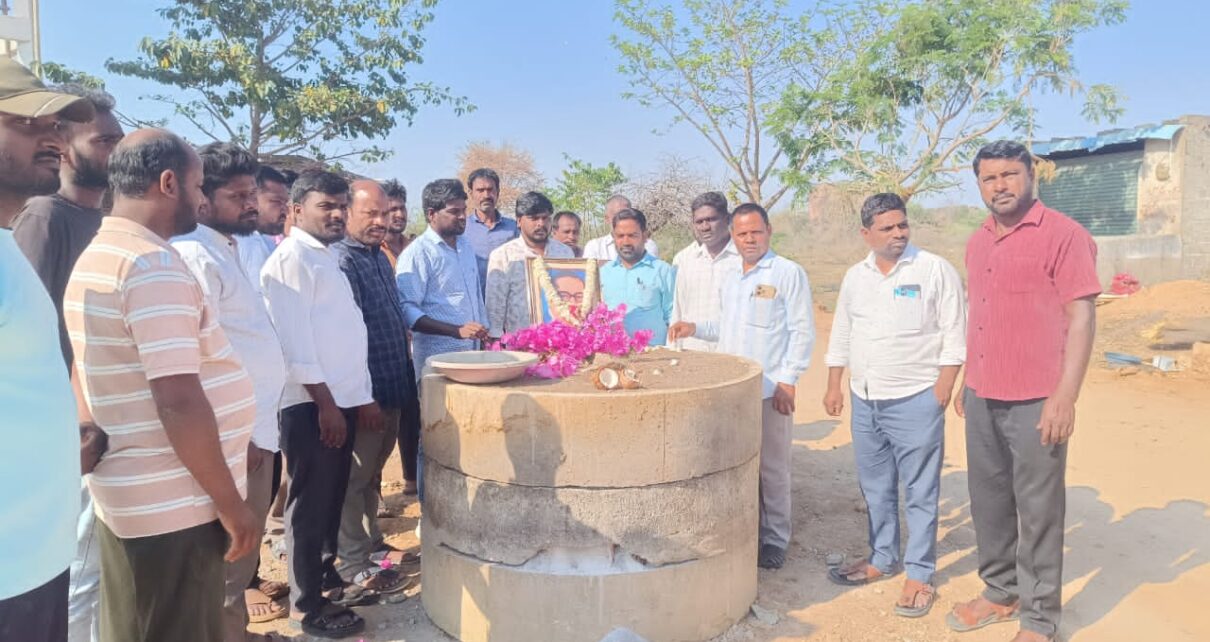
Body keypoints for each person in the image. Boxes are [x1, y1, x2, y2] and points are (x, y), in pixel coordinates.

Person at [65, 129, 260, 642]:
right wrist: (231, 504)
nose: (202, 200)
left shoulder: (101, 253)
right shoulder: (150, 265)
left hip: (139, 496)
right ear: (169, 183)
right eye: (198, 187)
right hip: (176, 505)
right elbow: (178, 399)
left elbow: (82, 363)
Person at [946, 141, 1099, 642]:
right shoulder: (978, 241)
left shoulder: (1064, 236)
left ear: (1031, 174)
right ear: (979, 185)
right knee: (988, 500)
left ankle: (1038, 619)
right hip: (983, 392)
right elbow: (982, 314)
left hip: (1037, 398)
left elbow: (1081, 318)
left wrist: (1065, 396)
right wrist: (968, 378)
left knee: (1038, 511)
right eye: (989, 178)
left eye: (1010, 174)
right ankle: (1000, 591)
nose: (1000, 186)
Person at [8, 81, 120, 642]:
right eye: (26, 122)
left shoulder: (100, 223)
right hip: (66, 447)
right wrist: (78, 422)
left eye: (54, 125)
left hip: (79, 448)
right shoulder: (44, 220)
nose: (49, 136)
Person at [821, 193, 966, 618]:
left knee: (920, 491)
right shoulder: (855, 277)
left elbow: (955, 332)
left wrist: (944, 387)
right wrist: (834, 384)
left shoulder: (934, 269)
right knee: (876, 488)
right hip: (866, 400)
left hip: (916, 398)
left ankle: (919, 573)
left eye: (902, 225)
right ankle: (882, 557)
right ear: (866, 234)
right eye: (887, 228)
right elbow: (843, 332)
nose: (898, 233)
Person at [170, 143, 290, 641]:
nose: (250, 205)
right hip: (237, 440)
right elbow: (195, 363)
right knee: (227, 563)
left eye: (252, 194)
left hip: (256, 430)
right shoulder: (195, 256)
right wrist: (237, 439)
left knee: (238, 561)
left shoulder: (228, 248)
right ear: (202, 197)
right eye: (238, 196)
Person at [260, 170, 381, 639]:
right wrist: (327, 406)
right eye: (324, 206)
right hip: (311, 405)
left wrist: (358, 399)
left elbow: (345, 334)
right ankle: (305, 607)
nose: (336, 214)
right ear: (296, 210)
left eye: (340, 205)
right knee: (309, 507)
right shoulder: (291, 260)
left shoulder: (324, 257)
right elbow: (296, 345)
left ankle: (325, 585)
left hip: (337, 402)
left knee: (330, 499)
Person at [669, 203, 815, 570]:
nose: (750, 239)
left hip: (770, 390)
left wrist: (788, 380)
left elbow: (802, 331)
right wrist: (694, 328)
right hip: (734, 390)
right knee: (737, 462)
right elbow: (724, 326)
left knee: (772, 468)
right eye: (743, 233)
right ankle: (745, 532)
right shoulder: (732, 275)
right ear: (733, 236)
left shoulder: (787, 273)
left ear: (769, 231)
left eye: (756, 232)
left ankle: (775, 538)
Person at [331, 180, 417, 595]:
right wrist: (362, 398)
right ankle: (352, 562)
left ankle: (372, 545)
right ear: (347, 212)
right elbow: (346, 337)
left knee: (373, 475)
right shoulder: (341, 261)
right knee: (354, 478)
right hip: (365, 393)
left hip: (392, 383)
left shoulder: (377, 257)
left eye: (385, 213)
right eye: (372, 214)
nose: (382, 221)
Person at [397, 179, 489, 504]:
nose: (463, 217)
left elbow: (474, 297)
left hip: (472, 359)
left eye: (464, 210)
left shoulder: (465, 247)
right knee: (435, 439)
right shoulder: (417, 254)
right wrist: (455, 331)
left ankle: (461, 508)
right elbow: (408, 310)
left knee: (468, 436)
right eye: (454, 212)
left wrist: (483, 334)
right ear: (431, 214)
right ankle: (431, 509)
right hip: (438, 363)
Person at [486, 191, 575, 339]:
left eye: (545, 218)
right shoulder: (503, 256)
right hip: (519, 344)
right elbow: (495, 308)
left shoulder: (564, 252)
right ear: (519, 221)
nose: (541, 223)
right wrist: (495, 340)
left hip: (560, 341)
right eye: (534, 218)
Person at [670, 191, 740, 352]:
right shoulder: (685, 260)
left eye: (711, 219)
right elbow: (678, 310)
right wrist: (673, 349)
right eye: (699, 222)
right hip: (691, 353)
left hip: (731, 354)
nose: (705, 227)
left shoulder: (743, 260)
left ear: (727, 219)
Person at [600, 208, 676, 345]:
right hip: (613, 353)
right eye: (620, 236)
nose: (626, 242)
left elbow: (672, 316)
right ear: (614, 237)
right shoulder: (604, 273)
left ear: (645, 236)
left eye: (632, 235)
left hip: (654, 354)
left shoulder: (662, 271)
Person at [460, 167, 518, 294]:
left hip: (506, 299)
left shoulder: (513, 228)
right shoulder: (462, 229)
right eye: (480, 190)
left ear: (498, 192)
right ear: (471, 193)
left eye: (490, 190)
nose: (486, 195)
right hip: (473, 299)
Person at [237, 165, 289, 291]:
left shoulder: (267, 241)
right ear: (252, 199)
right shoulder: (246, 243)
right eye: (276, 201)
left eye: (286, 202)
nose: (285, 209)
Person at [582, 194, 659, 260]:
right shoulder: (594, 246)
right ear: (607, 219)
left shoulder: (647, 244)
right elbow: (589, 271)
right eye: (618, 215)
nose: (623, 219)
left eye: (627, 214)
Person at [380, 178, 410, 267]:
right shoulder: (373, 250)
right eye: (393, 209)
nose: (400, 215)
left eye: (402, 208)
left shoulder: (414, 247)